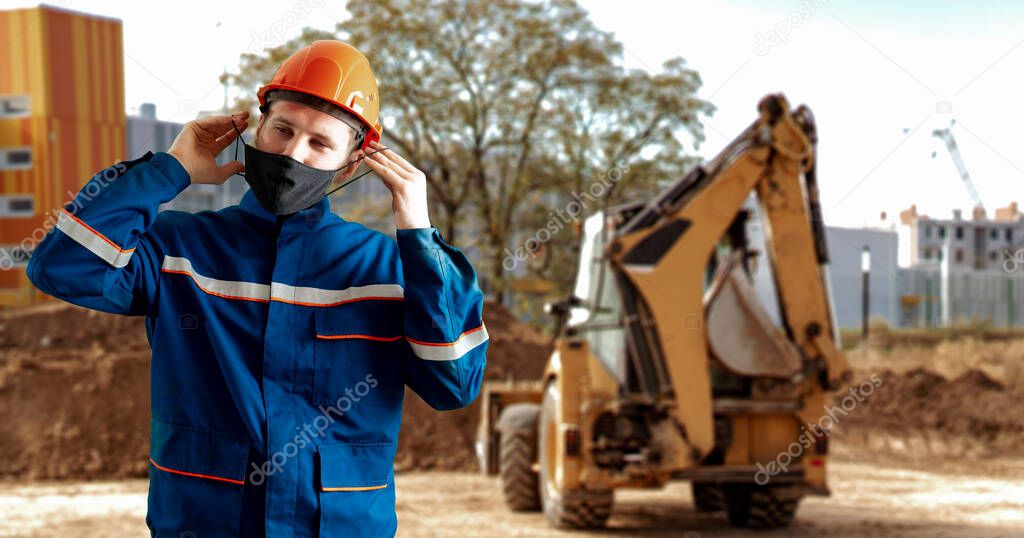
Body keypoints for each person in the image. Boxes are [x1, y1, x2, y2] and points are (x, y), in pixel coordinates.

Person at [26, 40, 488, 538]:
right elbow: (62, 266)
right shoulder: (179, 249)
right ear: (255, 127)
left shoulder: (389, 268)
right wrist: (171, 169)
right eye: (283, 129)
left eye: (320, 143)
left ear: (351, 164)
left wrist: (420, 239)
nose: (293, 153)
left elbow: (453, 385)